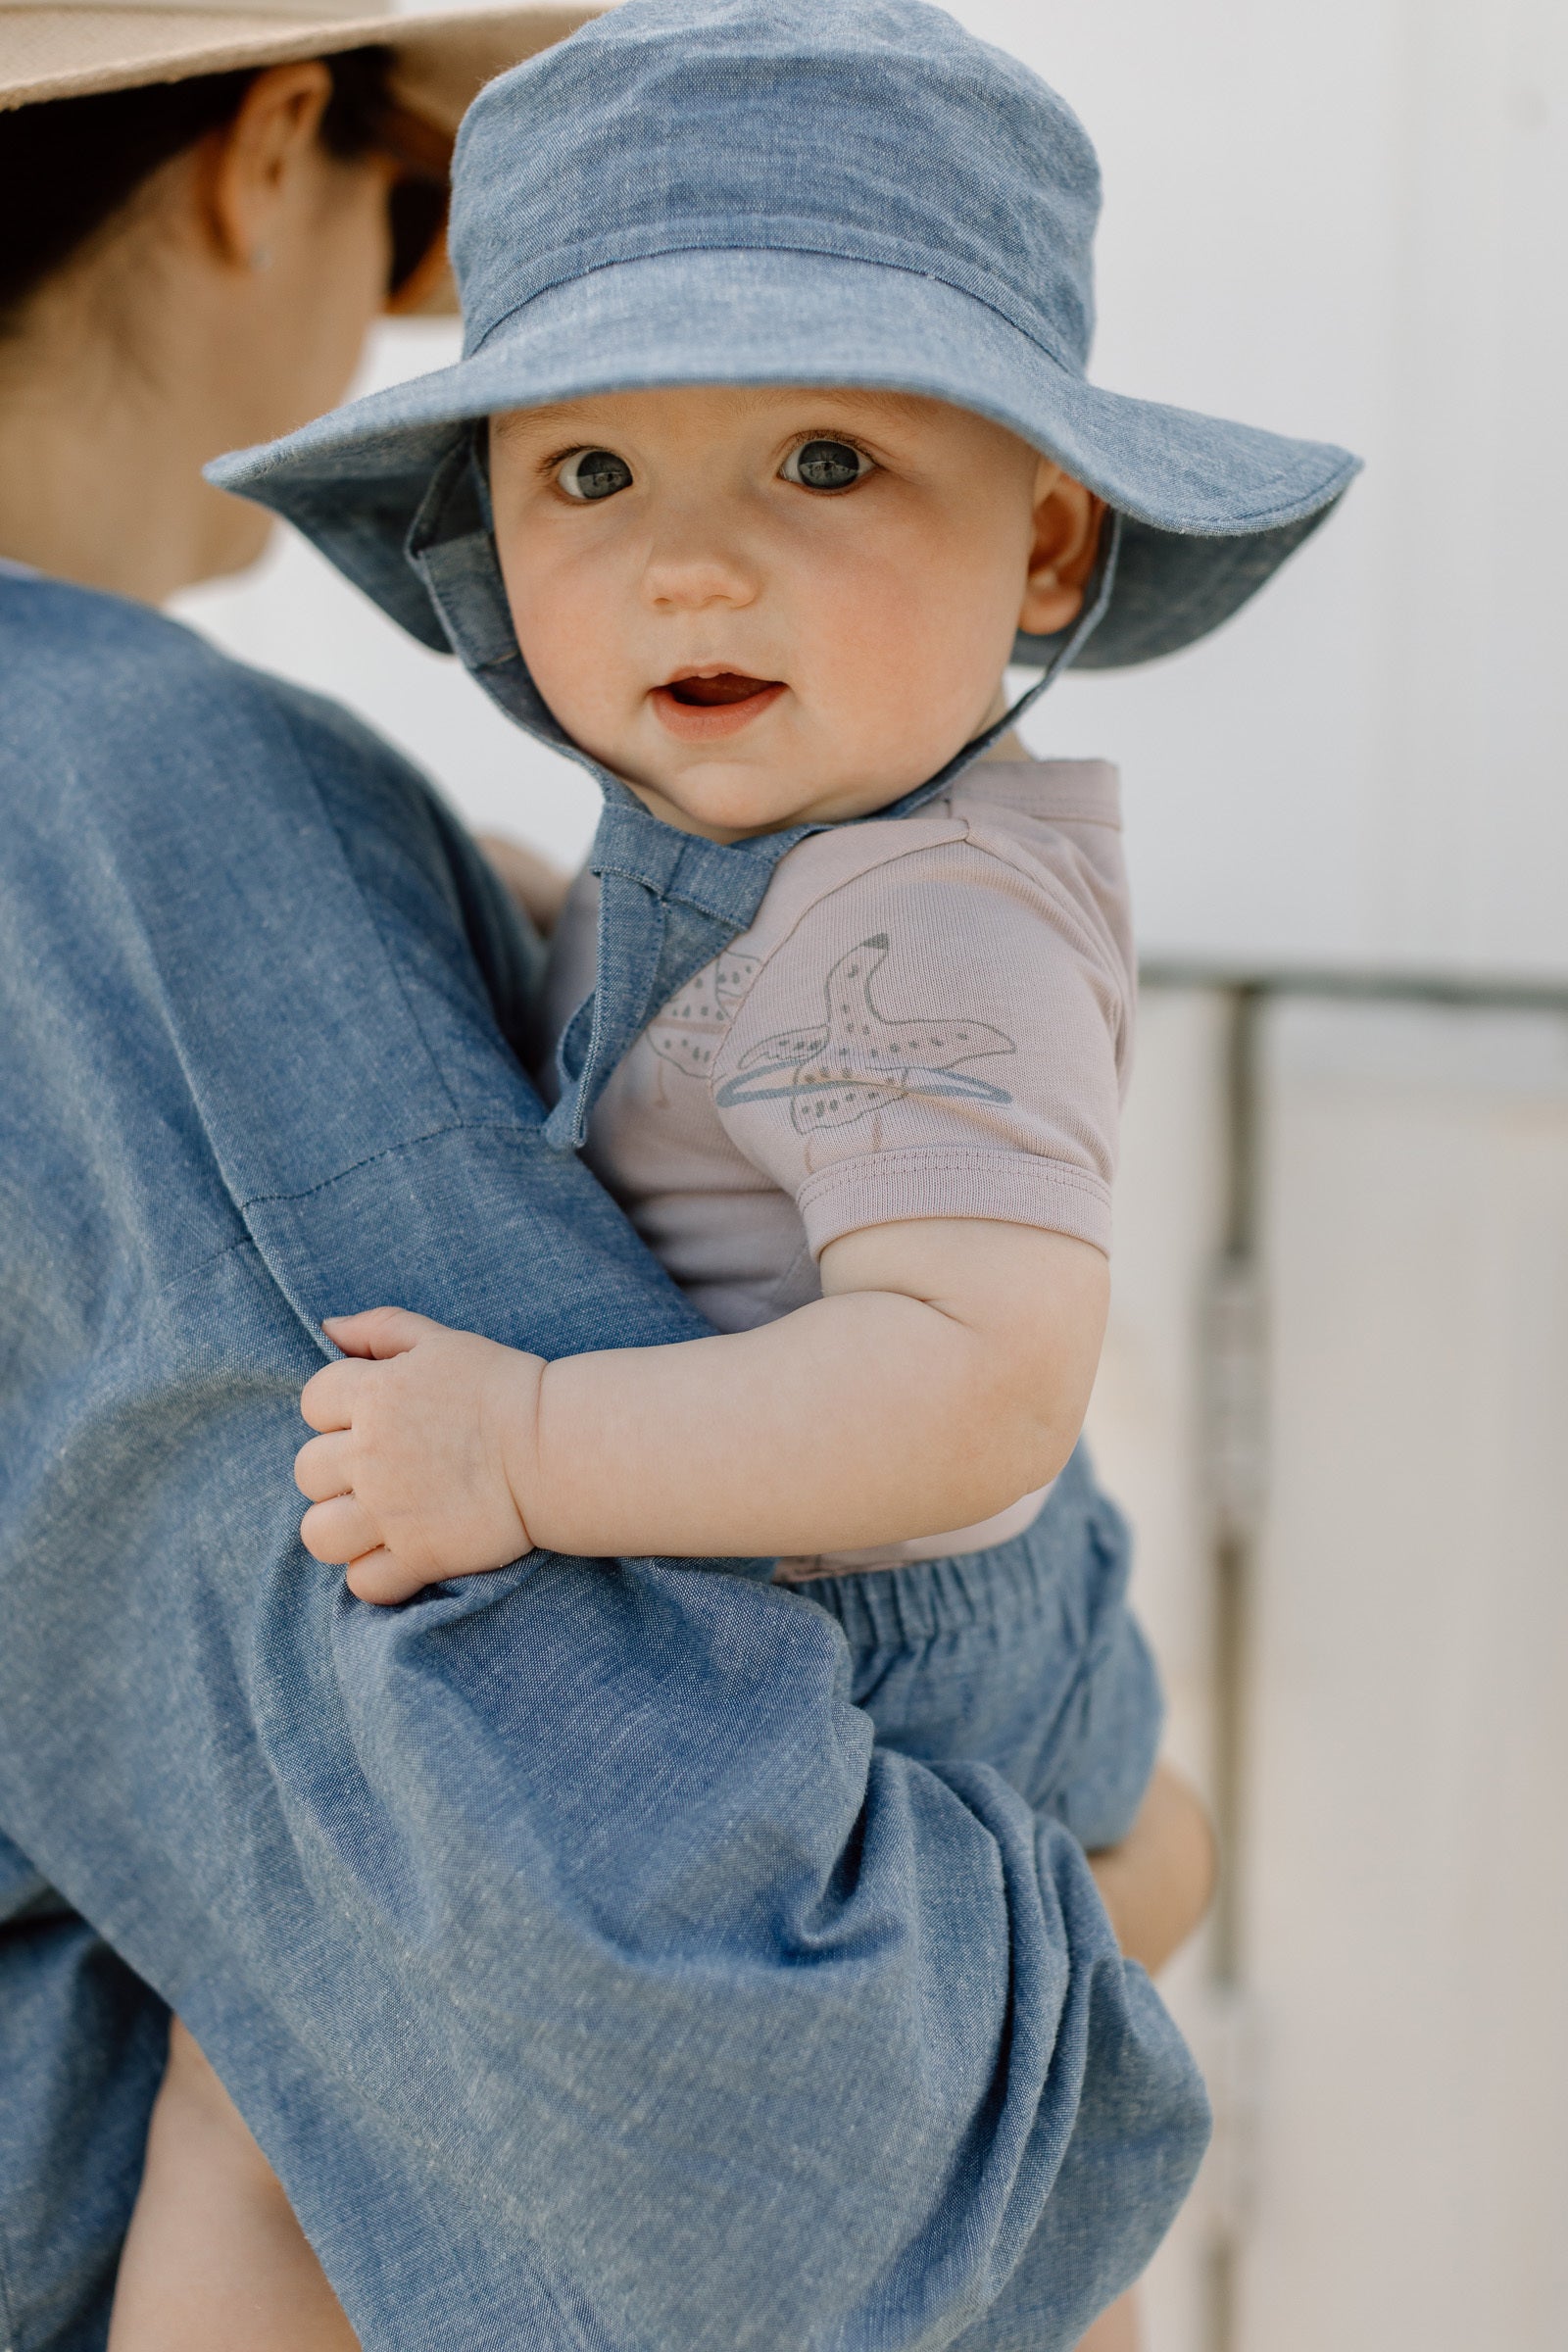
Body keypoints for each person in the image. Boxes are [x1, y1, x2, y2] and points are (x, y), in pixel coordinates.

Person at [0, 2, 1217, 2348]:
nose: (689, 572)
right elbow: (682, 2088)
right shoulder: (142, 811)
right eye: (579, 468)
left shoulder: (897, 901)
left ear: (1043, 537)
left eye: (823, 455)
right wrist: (1127, 1899)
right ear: (272, 151)